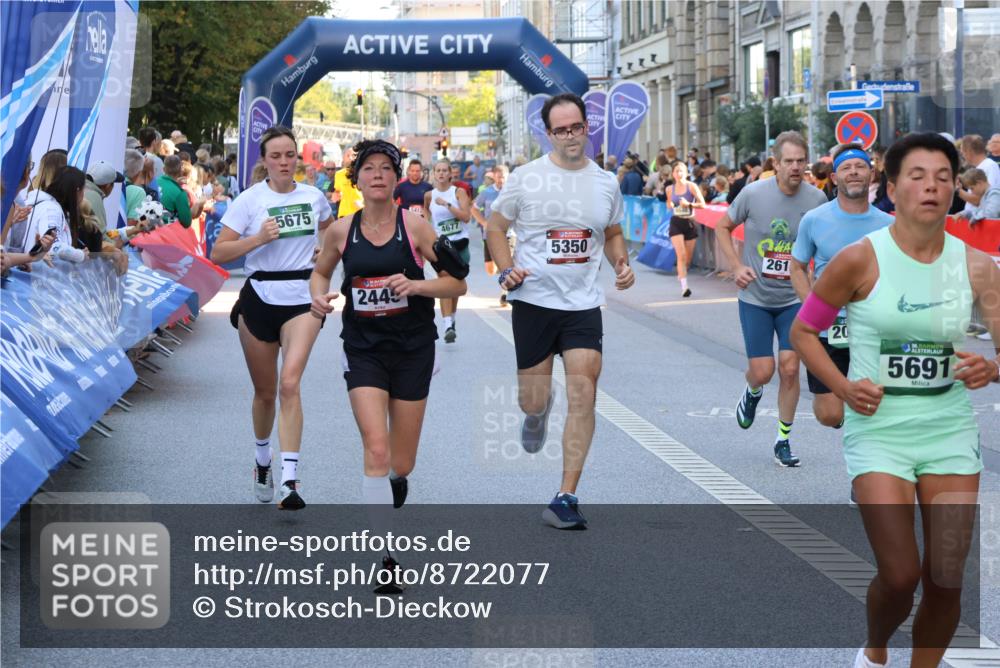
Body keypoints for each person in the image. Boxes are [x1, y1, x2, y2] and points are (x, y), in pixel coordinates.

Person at [789, 132, 1000, 668]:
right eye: (917, 176)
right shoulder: (859, 260)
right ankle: (876, 648)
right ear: (893, 188)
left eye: (943, 178)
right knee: (902, 573)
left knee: (947, 579)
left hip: (948, 429)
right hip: (879, 428)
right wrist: (841, 388)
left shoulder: (978, 267)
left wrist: (991, 367)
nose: (931, 187)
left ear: (956, 189)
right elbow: (803, 333)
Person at [308, 139, 468, 586]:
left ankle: (396, 481)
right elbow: (321, 271)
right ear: (355, 180)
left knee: (402, 461)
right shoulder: (341, 231)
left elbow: (457, 284)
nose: (377, 175)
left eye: (385, 168)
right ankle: (385, 558)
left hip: (414, 346)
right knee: (376, 448)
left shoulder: (416, 227)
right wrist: (318, 295)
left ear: (396, 179)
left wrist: (416, 288)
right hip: (363, 347)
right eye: (368, 169)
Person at [486, 92, 635, 530]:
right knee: (531, 398)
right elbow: (496, 227)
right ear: (548, 134)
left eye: (576, 127)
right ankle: (537, 411)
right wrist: (506, 270)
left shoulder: (605, 182)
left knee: (584, 391)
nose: (571, 136)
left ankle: (566, 495)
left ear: (587, 127)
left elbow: (611, 232)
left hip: (583, 304)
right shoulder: (527, 178)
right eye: (561, 130)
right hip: (533, 301)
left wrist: (621, 263)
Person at [210, 125, 335, 510]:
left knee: (290, 384)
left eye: (290, 155)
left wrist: (324, 253)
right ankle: (263, 461)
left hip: (302, 298)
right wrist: (258, 240)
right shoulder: (249, 200)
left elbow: (333, 236)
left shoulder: (314, 197)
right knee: (265, 393)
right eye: (276, 156)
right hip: (260, 296)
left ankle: (289, 481)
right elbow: (219, 253)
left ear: (298, 158)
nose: (284, 162)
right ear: (263, 161)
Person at [716, 131, 827, 467]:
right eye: (788, 161)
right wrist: (736, 267)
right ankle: (752, 392)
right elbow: (722, 226)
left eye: (800, 161)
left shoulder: (817, 201)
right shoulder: (753, 194)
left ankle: (783, 439)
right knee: (763, 371)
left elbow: (824, 245)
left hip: (795, 299)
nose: (795, 167)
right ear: (775, 163)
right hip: (756, 298)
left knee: (790, 368)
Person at [790, 143, 893, 430]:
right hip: (827, 329)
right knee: (830, 415)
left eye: (860, 166)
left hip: (873, 330)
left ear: (872, 174)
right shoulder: (815, 219)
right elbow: (796, 268)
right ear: (835, 178)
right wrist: (812, 308)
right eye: (846, 168)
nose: (854, 172)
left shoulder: (889, 224)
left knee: (875, 406)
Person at [424, 158, 472, 343]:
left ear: (450, 173)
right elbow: (426, 212)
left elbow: (466, 217)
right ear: (434, 174)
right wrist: (427, 226)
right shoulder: (429, 195)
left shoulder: (458, 192)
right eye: (439, 170)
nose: (442, 173)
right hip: (442, 246)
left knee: (456, 284)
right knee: (445, 281)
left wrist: (447, 205)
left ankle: (451, 318)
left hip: (460, 244)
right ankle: (447, 325)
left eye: (445, 170)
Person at [660, 161, 705, 298]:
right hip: (676, 222)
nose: (679, 174)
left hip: (689, 223)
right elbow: (669, 204)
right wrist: (670, 203)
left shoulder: (691, 186)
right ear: (673, 173)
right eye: (676, 171)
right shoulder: (669, 189)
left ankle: (682, 273)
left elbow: (702, 204)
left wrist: (689, 203)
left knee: (687, 259)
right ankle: (685, 287)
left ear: (686, 173)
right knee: (681, 255)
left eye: (681, 171)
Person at [470, 164, 508, 277]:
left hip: (508, 233)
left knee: (506, 265)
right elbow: (474, 209)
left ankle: (505, 291)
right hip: (490, 234)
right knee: (490, 270)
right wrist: (484, 223)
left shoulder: (513, 191)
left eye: (503, 177)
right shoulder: (486, 192)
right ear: (494, 177)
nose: (501, 179)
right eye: (499, 177)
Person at [958, 135, 1000, 218]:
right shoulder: (982, 166)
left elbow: (983, 200)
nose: (963, 156)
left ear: (969, 151)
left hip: (983, 225)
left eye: (963, 152)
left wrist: (958, 191)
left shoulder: (990, 166)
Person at [83, 160, 125, 231]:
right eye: (113, 184)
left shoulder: (81, 189)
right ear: (108, 185)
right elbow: (101, 235)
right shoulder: (94, 196)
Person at [157, 155, 194, 227]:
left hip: (149, 231)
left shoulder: (154, 182)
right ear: (180, 170)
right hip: (167, 233)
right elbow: (186, 222)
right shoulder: (180, 193)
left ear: (164, 169)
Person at [333, 148, 364, 218]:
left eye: (353, 155)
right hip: (343, 215)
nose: (350, 158)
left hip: (360, 213)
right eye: (347, 155)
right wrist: (335, 196)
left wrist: (363, 205)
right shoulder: (338, 174)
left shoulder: (364, 173)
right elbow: (336, 191)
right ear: (343, 158)